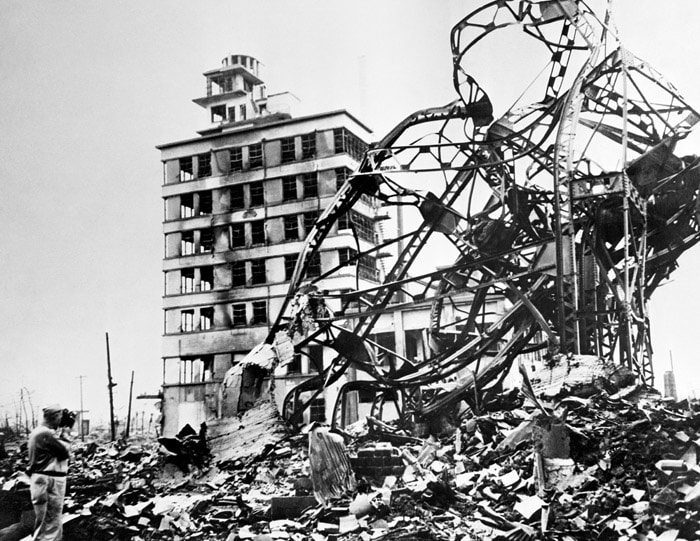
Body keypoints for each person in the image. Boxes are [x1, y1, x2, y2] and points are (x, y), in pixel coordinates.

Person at [27, 404, 70, 540]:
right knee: (51, 522)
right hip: (50, 480)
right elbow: (64, 452)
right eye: (60, 417)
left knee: (44, 522)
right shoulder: (46, 433)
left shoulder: (38, 431)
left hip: (41, 479)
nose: (61, 420)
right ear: (55, 416)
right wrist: (66, 431)